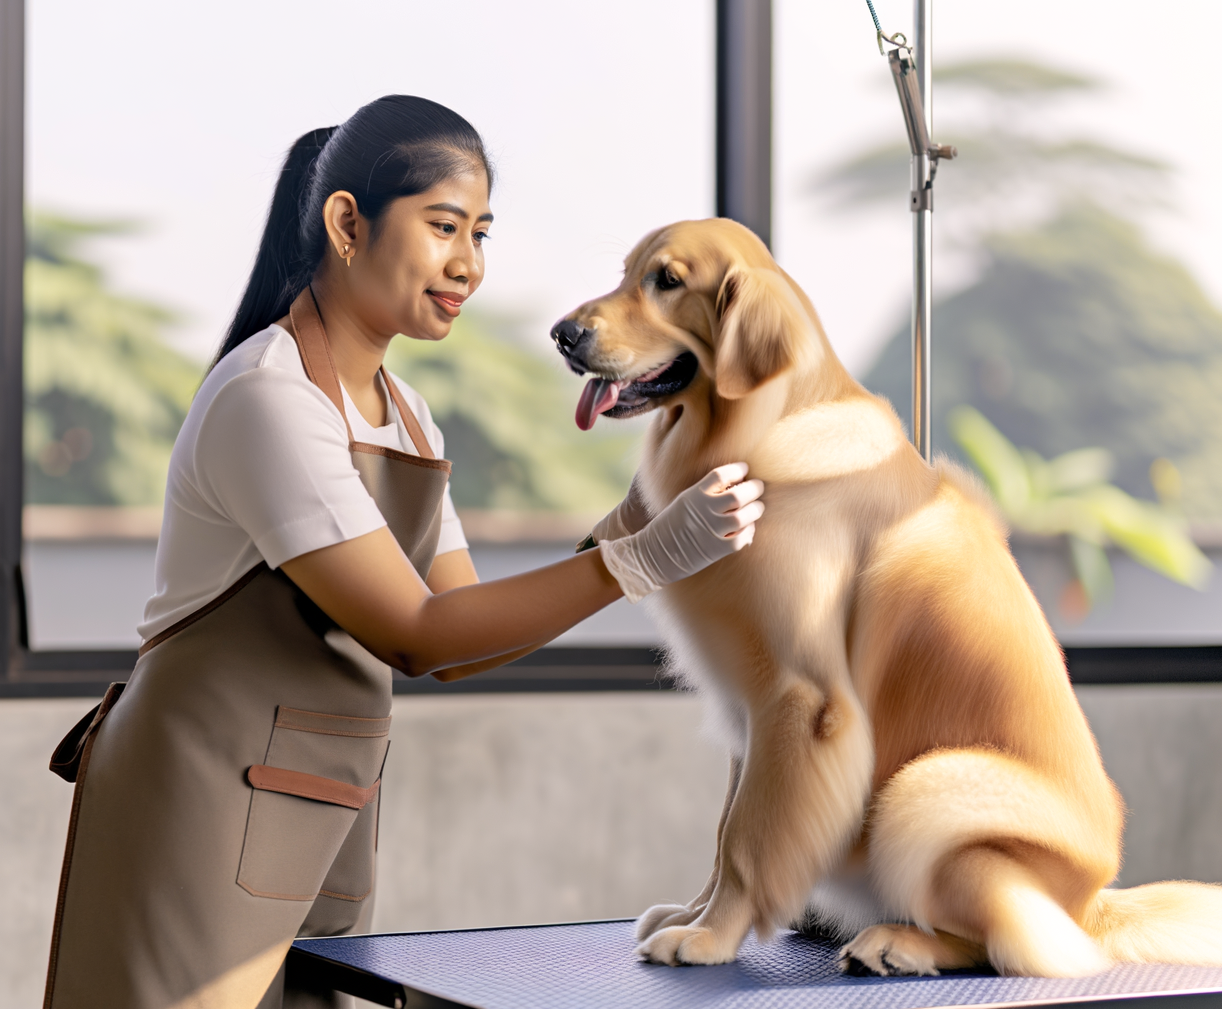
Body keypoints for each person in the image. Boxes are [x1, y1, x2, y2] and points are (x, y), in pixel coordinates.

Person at [41, 95, 765, 1009]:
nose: (469, 264)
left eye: (483, 233)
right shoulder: (270, 401)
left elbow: (463, 642)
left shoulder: (405, 415)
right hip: (199, 806)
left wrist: (621, 532)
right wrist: (639, 560)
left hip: (316, 807)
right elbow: (416, 633)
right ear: (348, 223)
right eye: (443, 226)